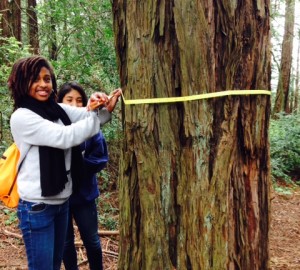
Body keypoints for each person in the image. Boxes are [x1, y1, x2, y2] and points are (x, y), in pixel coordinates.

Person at [7, 55, 122, 270]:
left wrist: (101, 105)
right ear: (22, 82)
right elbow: (65, 137)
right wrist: (95, 116)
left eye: (47, 79)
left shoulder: (57, 109)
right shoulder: (22, 117)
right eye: (35, 79)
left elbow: (87, 115)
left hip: (62, 203)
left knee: (54, 264)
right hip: (37, 208)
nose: (43, 84)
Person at [57, 82, 120, 270]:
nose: (74, 105)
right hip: (60, 197)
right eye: (69, 100)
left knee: (92, 240)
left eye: (79, 101)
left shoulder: (91, 127)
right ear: (59, 102)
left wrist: (76, 164)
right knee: (66, 242)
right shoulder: (54, 127)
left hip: (84, 195)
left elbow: (100, 159)